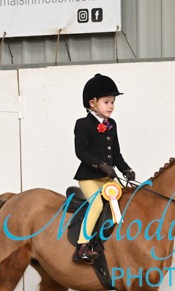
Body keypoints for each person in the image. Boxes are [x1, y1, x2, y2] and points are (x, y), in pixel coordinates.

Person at [72, 74, 136, 263]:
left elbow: (115, 153)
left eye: (113, 102)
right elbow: (81, 152)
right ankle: (82, 246)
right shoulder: (82, 124)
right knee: (97, 205)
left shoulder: (111, 124)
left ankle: (121, 241)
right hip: (89, 177)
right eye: (106, 102)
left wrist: (126, 169)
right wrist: (100, 165)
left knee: (127, 201)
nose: (111, 106)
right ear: (92, 103)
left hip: (107, 179)